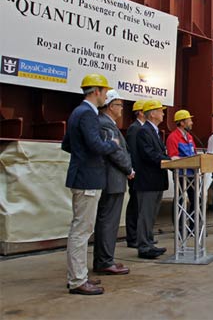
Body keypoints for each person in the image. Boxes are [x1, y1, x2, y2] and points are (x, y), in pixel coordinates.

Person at [62, 73, 119, 295]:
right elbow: (96, 145)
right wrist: (112, 143)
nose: (106, 95)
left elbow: (68, 144)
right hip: (87, 178)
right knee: (81, 230)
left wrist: (82, 154)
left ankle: (79, 275)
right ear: (96, 91)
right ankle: (77, 280)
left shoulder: (79, 112)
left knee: (81, 228)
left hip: (83, 175)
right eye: (105, 92)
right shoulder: (87, 114)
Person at [93, 90, 133, 275]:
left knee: (108, 220)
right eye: (119, 105)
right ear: (110, 106)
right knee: (108, 221)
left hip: (113, 179)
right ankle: (104, 261)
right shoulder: (105, 125)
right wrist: (129, 169)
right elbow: (115, 152)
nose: (121, 109)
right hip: (112, 179)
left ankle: (105, 259)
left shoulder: (108, 124)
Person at [134, 99, 170, 259]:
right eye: (160, 111)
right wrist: (166, 160)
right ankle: (144, 246)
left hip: (155, 180)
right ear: (153, 113)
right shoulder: (144, 131)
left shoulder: (153, 131)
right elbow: (148, 153)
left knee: (152, 214)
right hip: (148, 180)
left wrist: (169, 158)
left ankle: (149, 242)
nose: (163, 113)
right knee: (146, 214)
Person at [166, 109, 196, 232]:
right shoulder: (173, 137)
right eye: (189, 120)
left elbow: (194, 153)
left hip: (193, 174)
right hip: (181, 174)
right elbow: (173, 157)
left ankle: (194, 227)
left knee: (196, 200)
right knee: (180, 200)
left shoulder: (189, 137)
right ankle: (179, 228)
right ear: (182, 123)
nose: (192, 122)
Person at [124, 100, 145, 248]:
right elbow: (132, 151)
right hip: (136, 173)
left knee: (140, 205)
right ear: (141, 112)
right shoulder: (134, 128)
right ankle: (132, 238)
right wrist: (132, 170)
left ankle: (139, 235)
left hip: (142, 173)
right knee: (135, 204)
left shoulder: (143, 128)